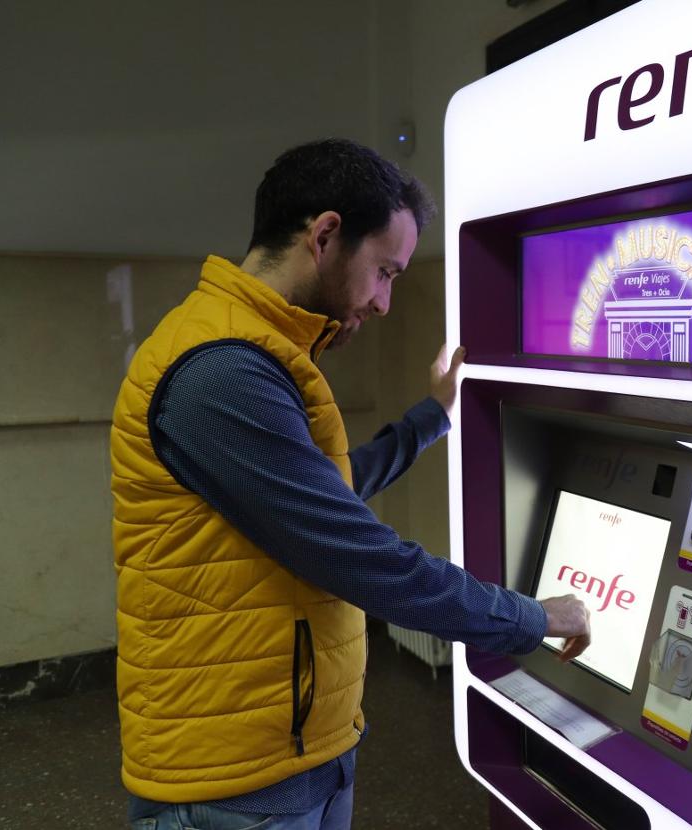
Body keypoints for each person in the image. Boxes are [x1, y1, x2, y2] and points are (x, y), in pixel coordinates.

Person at [111, 138, 591, 830]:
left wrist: (435, 418)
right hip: (232, 782)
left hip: (294, 747)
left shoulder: (262, 348)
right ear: (327, 236)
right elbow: (355, 553)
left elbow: (317, 495)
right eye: (385, 272)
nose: (388, 301)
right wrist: (532, 618)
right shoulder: (220, 370)